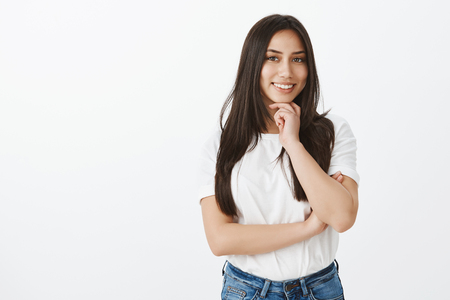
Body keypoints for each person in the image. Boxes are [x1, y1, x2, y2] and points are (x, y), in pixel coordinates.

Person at [197, 14, 359, 300]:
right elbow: (220, 240)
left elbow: (342, 217)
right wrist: (308, 228)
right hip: (245, 290)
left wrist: (293, 144)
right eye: (273, 58)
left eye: (298, 59)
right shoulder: (224, 143)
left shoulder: (332, 132)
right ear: (253, 65)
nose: (286, 72)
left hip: (320, 289)